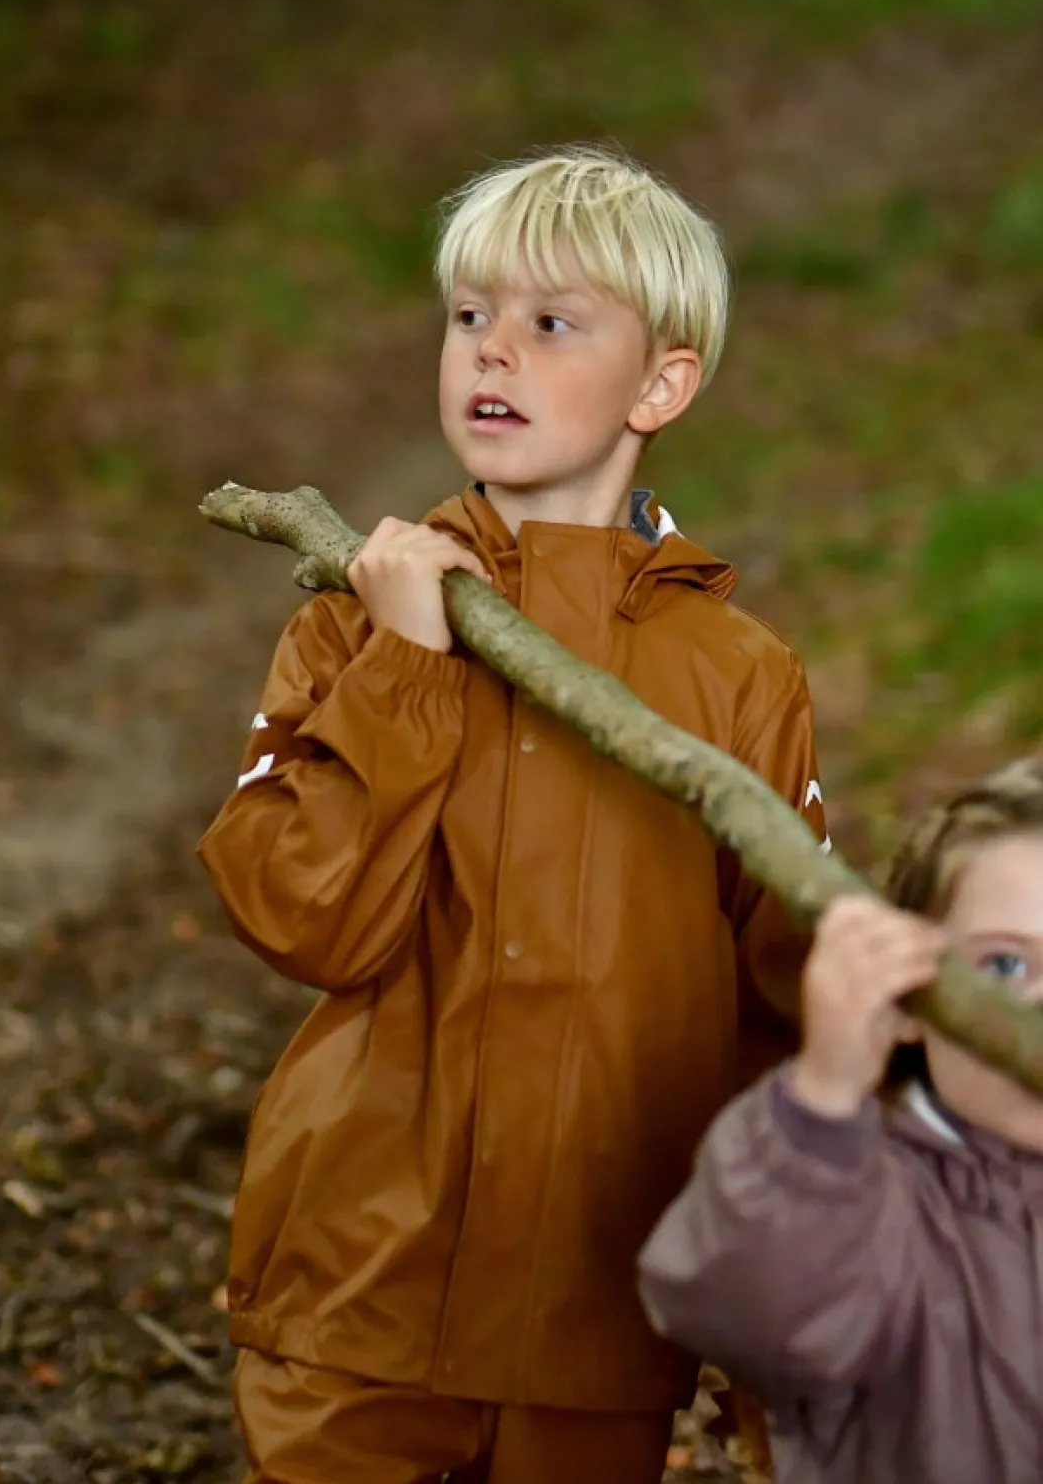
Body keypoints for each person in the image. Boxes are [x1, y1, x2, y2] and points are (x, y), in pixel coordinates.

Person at [198, 145, 829, 1484]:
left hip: (590, 1322)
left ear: (661, 382)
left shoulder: (739, 678)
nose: (493, 353)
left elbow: (784, 1013)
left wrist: (781, 1309)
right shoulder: (347, 632)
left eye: (551, 325)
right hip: (358, 1289)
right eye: (470, 317)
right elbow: (305, 915)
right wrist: (408, 668)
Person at [638, 757, 1043, 1484]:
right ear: (912, 1003)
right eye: (1006, 967)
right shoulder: (872, 1202)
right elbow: (751, 1314)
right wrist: (823, 1102)